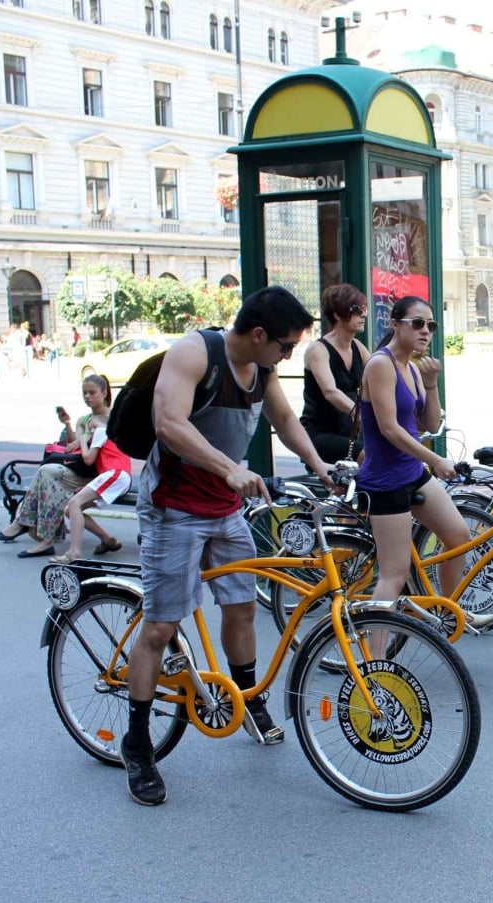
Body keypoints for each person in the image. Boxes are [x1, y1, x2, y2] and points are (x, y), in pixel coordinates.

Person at [120, 286, 333, 806]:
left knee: (240, 609)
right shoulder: (196, 353)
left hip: (226, 508)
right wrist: (229, 468)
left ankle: (247, 699)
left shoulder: (262, 369)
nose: (287, 356)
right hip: (175, 508)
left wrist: (320, 467)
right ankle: (138, 742)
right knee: (161, 626)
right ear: (258, 335)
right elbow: (167, 424)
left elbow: (284, 420)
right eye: (284, 346)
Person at [356, 296, 488, 626]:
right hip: (385, 482)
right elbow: (389, 429)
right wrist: (437, 460)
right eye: (418, 323)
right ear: (395, 325)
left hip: (412, 473)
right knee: (393, 575)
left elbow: (429, 424)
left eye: (431, 325)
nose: (425, 331)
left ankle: (448, 612)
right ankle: (375, 663)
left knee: (458, 535)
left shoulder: (412, 368)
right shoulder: (380, 365)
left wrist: (431, 385)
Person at [0, 374, 117, 557]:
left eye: (92, 393)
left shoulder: (114, 419)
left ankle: (33, 530)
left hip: (98, 473)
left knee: (49, 474)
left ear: (104, 392)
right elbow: (71, 445)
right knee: (48, 475)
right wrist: (68, 423)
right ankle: (37, 533)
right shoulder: (84, 420)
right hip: (78, 468)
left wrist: (87, 440)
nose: (87, 397)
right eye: (84, 393)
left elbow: (109, 450)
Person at [300, 283, 371, 466]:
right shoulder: (318, 350)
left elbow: (377, 377)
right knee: (369, 455)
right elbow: (330, 391)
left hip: (347, 434)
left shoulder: (358, 348)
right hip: (319, 434)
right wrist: (360, 414)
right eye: (357, 310)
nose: (363, 314)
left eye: (365, 309)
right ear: (337, 314)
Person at [50, 414, 131, 564]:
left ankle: (74, 552)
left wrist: (81, 440)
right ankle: (108, 540)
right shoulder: (111, 437)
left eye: (93, 427)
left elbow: (88, 459)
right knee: (70, 509)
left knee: (74, 503)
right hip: (117, 476)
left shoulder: (102, 431)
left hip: (116, 474)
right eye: (90, 429)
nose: (92, 431)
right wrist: (89, 486)